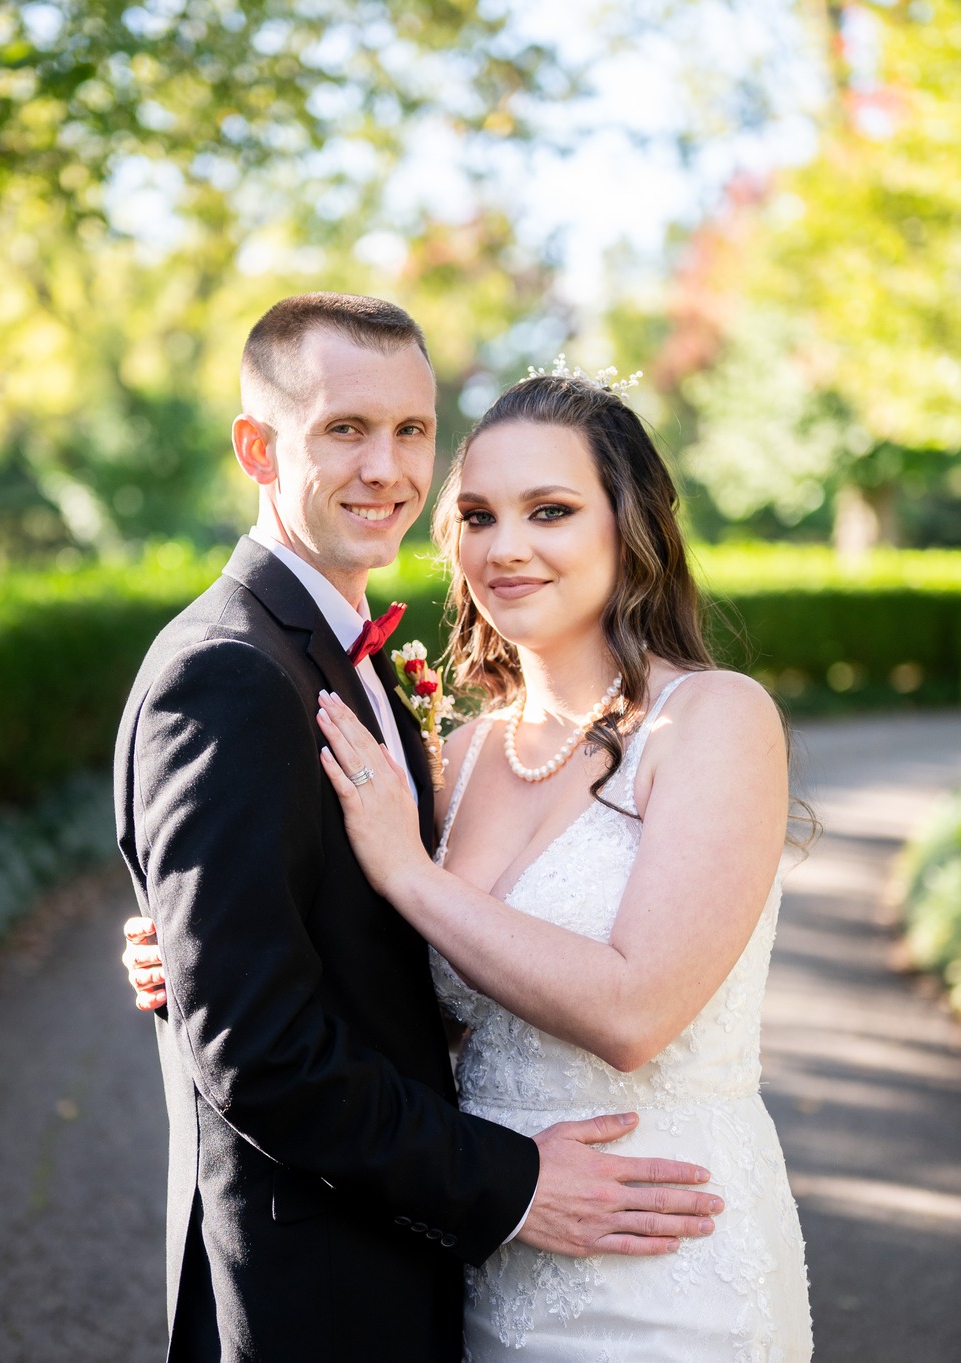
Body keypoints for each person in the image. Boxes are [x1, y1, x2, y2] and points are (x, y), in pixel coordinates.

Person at [113, 294, 725, 1363]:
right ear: (257, 447)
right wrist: (512, 1186)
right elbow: (255, 1051)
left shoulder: (362, 672)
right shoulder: (229, 672)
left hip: (440, 1266)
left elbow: (352, 954)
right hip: (314, 1294)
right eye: (344, 429)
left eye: (411, 432)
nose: (385, 469)